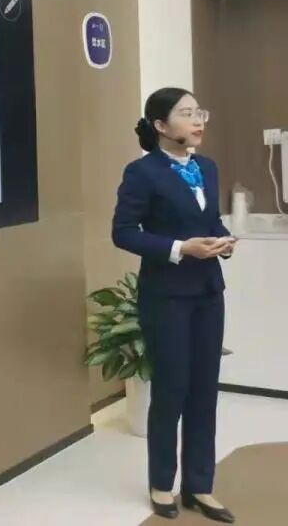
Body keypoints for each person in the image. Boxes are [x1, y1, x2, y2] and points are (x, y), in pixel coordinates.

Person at [112, 88, 237, 522]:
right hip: (165, 296)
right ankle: (161, 484)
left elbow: (209, 220)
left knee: (204, 391)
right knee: (171, 391)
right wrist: (181, 248)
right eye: (187, 113)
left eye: (200, 112)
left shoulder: (208, 167)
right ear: (161, 125)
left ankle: (199, 486)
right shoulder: (141, 172)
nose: (198, 120)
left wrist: (222, 241)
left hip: (208, 291)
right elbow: (124, 232)